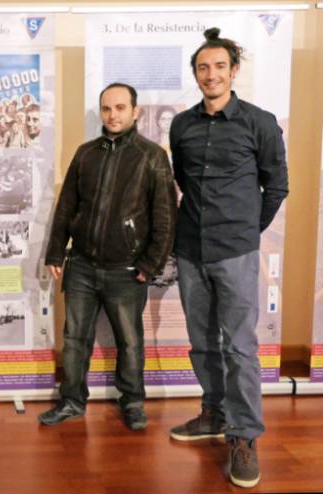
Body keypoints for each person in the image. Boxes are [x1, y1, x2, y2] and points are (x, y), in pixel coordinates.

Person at [168, 28, 288, 489]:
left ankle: (244, 437)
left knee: (239, 347)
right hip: (190, 249)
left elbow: (276, 185)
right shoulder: (182, 125)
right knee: (202, 343)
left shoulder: (260, 122)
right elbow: (184, 180)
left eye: (219, 66)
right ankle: (214, 414)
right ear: (196, 74)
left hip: (235, 251)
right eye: (203, 67)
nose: (211, 74)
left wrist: (245, 230)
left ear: (233, 71)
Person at [38, 82, 176, 431]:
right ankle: (71, 402)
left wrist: (149, 265)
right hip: (82, 266)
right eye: (106, 108)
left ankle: (132, 402)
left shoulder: (152, 156)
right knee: (74, 340)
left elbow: (165, 217)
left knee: (130, 342)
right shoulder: (86, 154)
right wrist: (56, 251)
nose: (113, 115)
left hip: (127, 270)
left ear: (135, 111)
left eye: (120, 108)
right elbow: (67, 205)